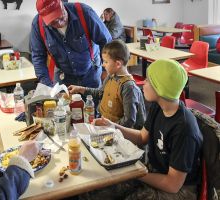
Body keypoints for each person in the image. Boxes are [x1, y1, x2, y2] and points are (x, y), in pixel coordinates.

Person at [80, 59, 203, 200]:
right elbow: (142, 137)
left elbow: (172, 184)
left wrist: (135, 173)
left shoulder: (184, 129)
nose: (143, 83)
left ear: (160, 88)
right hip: (153, 171)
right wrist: (113, 126)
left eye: (148, 80)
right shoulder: (159, 106)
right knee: (97, 189)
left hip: (179, 190)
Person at [30, 0, 112, 88]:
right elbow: (38, 56)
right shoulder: (37, 25)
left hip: (90, 73)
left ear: (62, 5)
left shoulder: (84, 12)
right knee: (63, 102)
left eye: (61, 17)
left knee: (92, 101)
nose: (59, 23)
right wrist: (47, 85)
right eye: (53, 22)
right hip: (63, 76)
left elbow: (106, 42)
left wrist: (106, 71)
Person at [68, 40, 146, 129]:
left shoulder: (128, 87)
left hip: (120, 133)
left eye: (106, 62)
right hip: (108, 126)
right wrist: (79, 89)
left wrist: (108, 127)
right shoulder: (111, 76)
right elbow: (100, 93)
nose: (103, 65)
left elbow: (129, 121)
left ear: (118, 64)